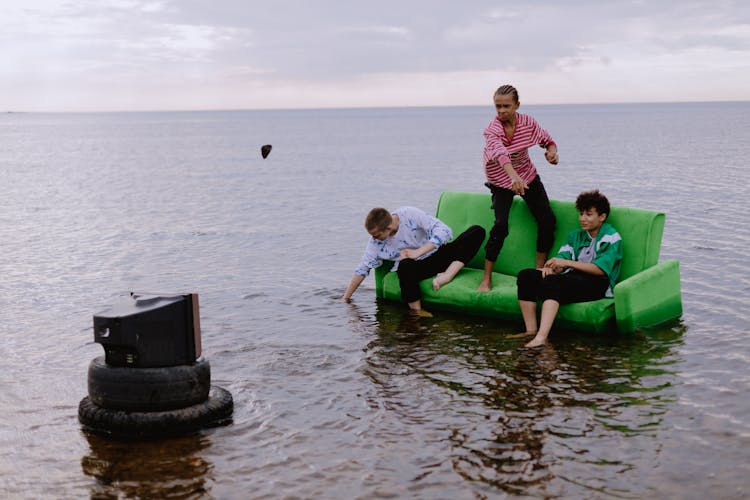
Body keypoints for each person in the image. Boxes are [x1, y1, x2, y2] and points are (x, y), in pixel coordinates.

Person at [514, 190, 622, 347]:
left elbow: (600, 270)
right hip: (573, 279)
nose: (583, 219)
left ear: (602, 217)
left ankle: (542, 337)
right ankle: (530, 331)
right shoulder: (575, 236)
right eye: (581, 214)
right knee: (526, 276)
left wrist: (567, 264)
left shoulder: (611, 237)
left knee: (553, 282)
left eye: (589, 214)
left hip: (598, 284)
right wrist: (553, 268)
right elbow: (562, 258)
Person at [478, 84, 559, 292]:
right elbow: (500, 154)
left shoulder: (528, 123)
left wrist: (552, 153)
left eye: (506, 106)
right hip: (500, 179)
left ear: (517, 105)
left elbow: (547, 140)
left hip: (526, 174)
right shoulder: (492, 129)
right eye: (498, 106)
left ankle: (539, 271)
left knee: (548, 220)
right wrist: (513, 178)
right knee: (500, 227)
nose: (502, 111)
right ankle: (486, 278)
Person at [342, 206, 485, 314]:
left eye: (376, 235)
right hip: (418, 267)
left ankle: (447, 276)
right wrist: (346, 298)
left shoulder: (409, 214)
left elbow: (444, 231)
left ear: (388, 227)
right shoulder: (375, 243)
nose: (373, 239)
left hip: (438, 254)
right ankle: (417, 314)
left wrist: (418, 252)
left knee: (476, 231)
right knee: (404, 267)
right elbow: (362, 269)